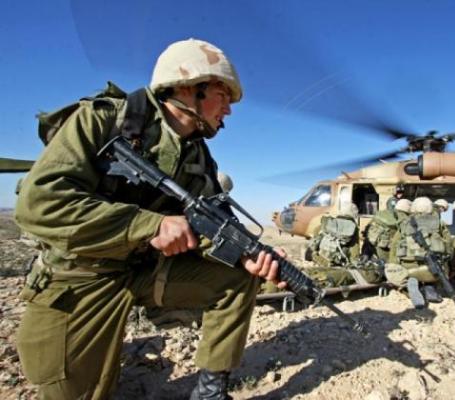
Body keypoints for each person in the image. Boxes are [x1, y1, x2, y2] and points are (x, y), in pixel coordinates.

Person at [14, 38, 286, 400]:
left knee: (237, 277)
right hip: (81, 275)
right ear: (188, 87)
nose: (229, 110)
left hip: (143, 271)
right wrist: (150, 225)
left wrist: (245, 254)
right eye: (223, 95)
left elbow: (211, 225)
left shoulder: (198, 157)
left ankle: (209, 394)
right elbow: (38, 204)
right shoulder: (103, 120)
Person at [385, 197, 453, 308]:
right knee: (438, 266)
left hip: (408, 269)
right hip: (432, 270)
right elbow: (449, 244)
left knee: (405, 278)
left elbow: (394, 246)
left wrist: (394, 265)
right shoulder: (439, 223)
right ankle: (430, 287)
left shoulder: (406, 223)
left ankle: (409, 288)